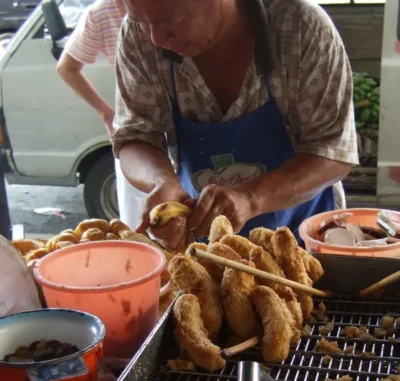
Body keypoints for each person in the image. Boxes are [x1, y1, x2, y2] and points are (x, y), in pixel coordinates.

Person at [112, 0, 358, 251]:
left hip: (306, 241)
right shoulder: (138, 35)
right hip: (208, 249)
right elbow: (135, 135)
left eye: (169, 21)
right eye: (142, 22)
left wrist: (251, 197)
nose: (155, 38)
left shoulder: (300, 28)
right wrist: (160, 181)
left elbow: (333, 152)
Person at [57, 0, 146, 228]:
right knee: (138, 225)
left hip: (183, 126)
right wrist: (106, 113)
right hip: (134, 130)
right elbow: (67, 68)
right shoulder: (100, 14)